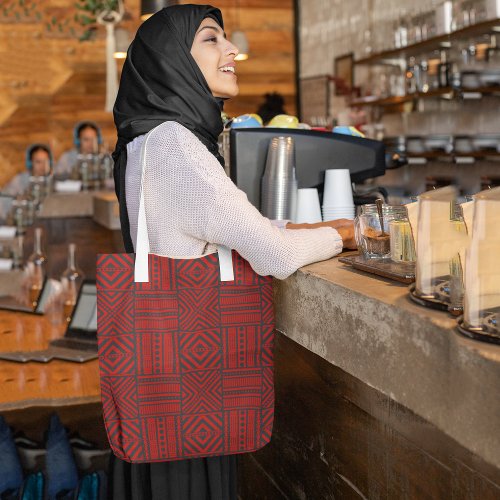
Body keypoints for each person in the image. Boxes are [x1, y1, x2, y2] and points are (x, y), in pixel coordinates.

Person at [110, 5, 356, 499]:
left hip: (160, 384)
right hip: (190, 390)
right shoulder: (178, 146)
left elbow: (221, 223)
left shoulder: (151, 138)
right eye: (211, 39)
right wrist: (344, 237)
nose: (231, 50)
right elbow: (273, 254)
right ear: (172, 59)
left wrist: (312, 224)